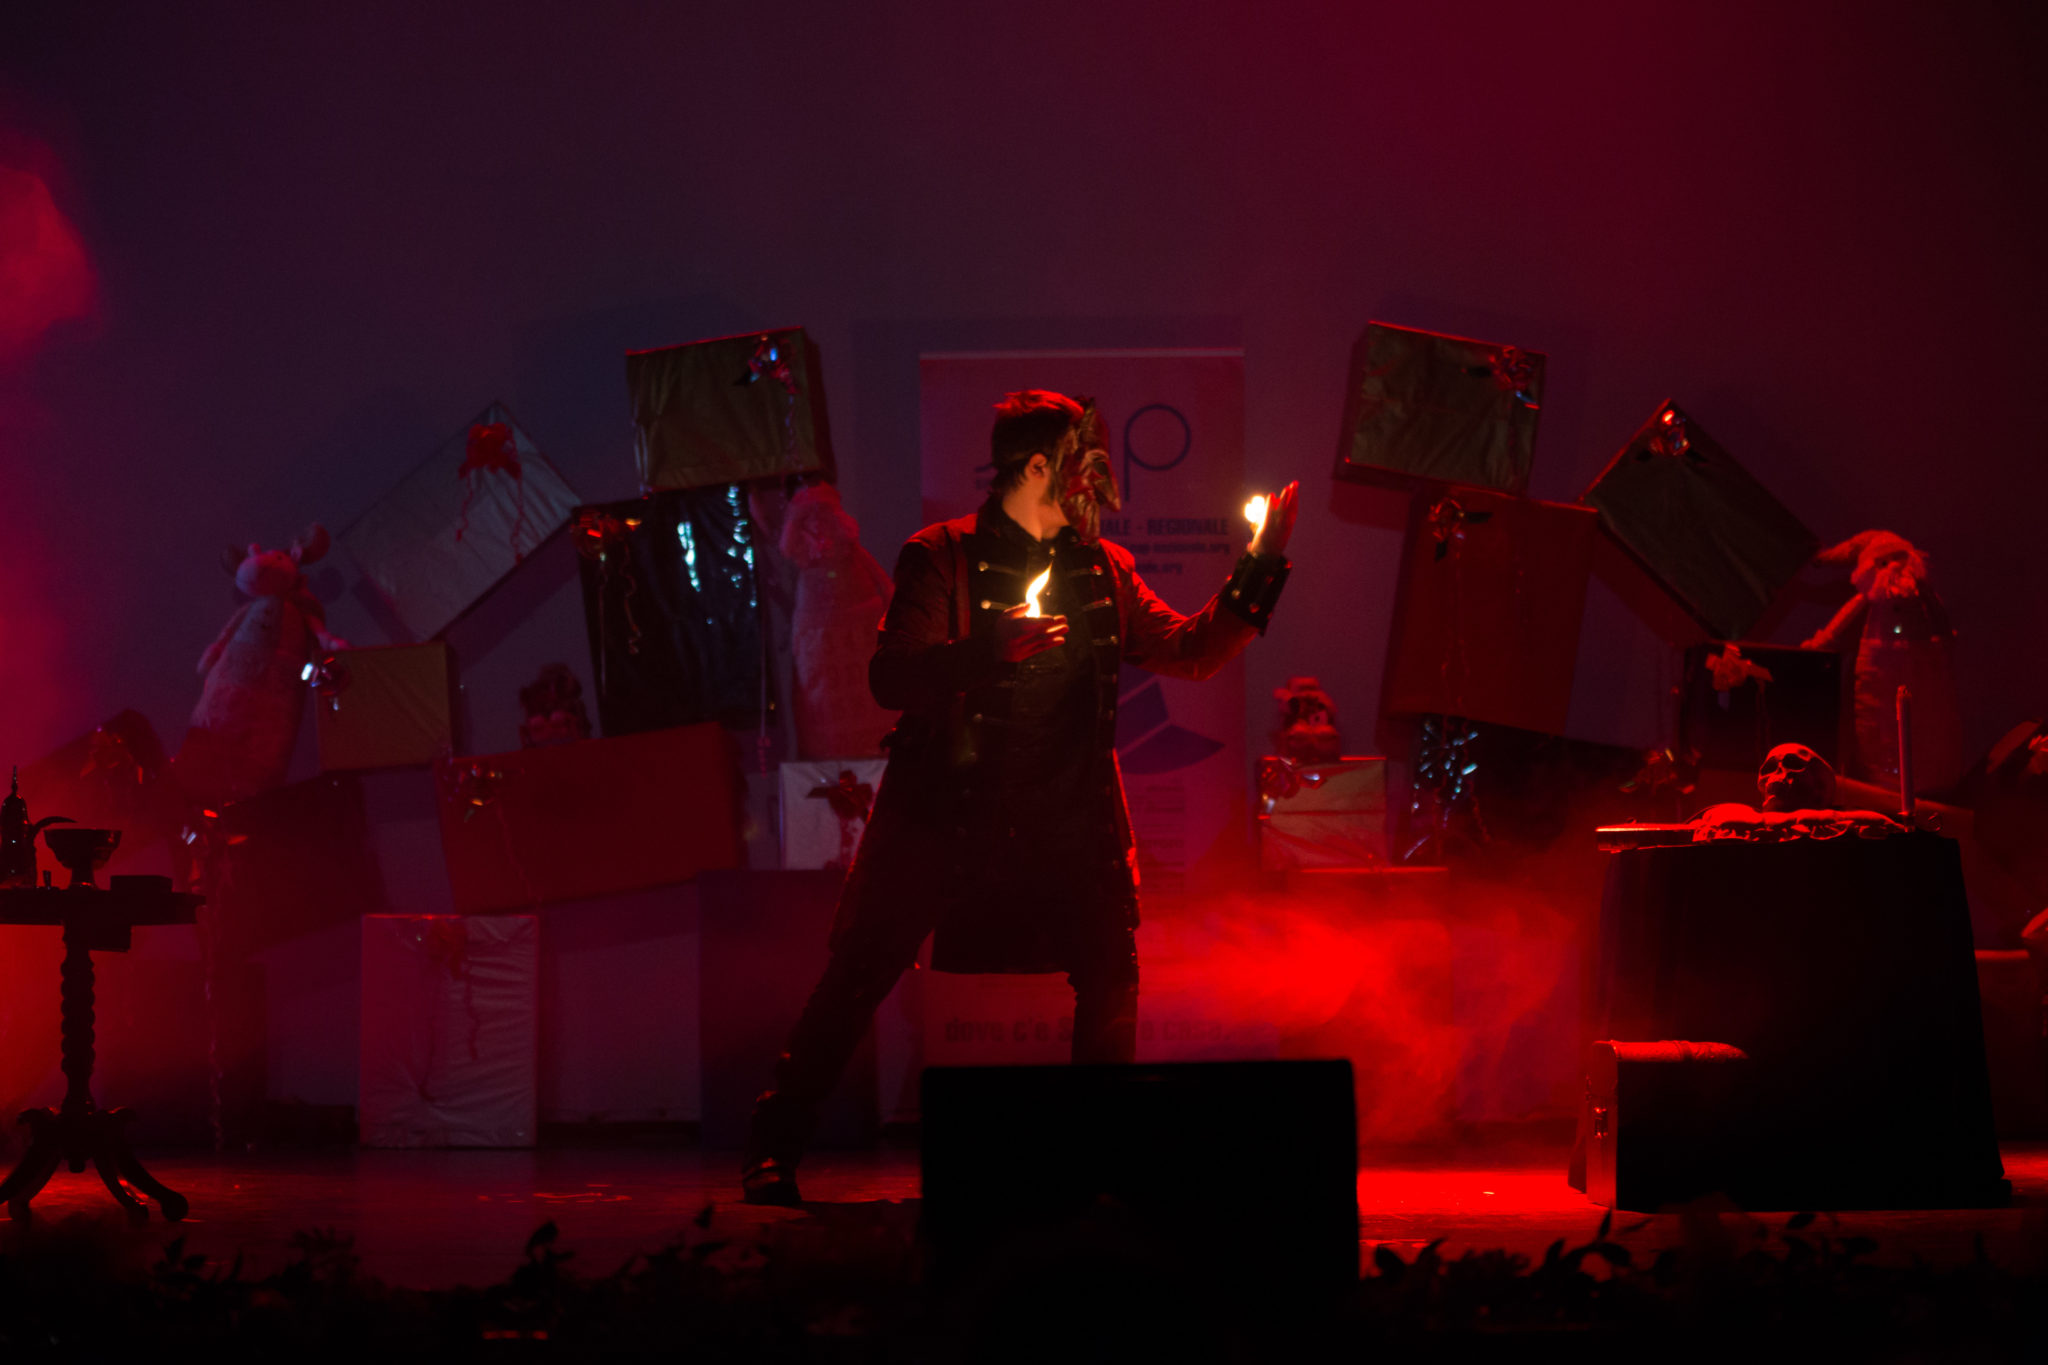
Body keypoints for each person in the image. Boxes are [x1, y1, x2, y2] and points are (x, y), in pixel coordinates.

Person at [743, 389, 1298, 1205]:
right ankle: (773, 1144)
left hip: (1067, 820)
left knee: (1110, 972)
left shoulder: (1105, 567)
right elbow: (891, 677)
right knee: (860, 970)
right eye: (1084, 466)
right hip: (944, 816)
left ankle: (1094, 1164)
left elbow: (1192, 649)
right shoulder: (939, 555)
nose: (1097, 484)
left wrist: (1260, 564)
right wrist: (986, 651)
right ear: (1039, 466)